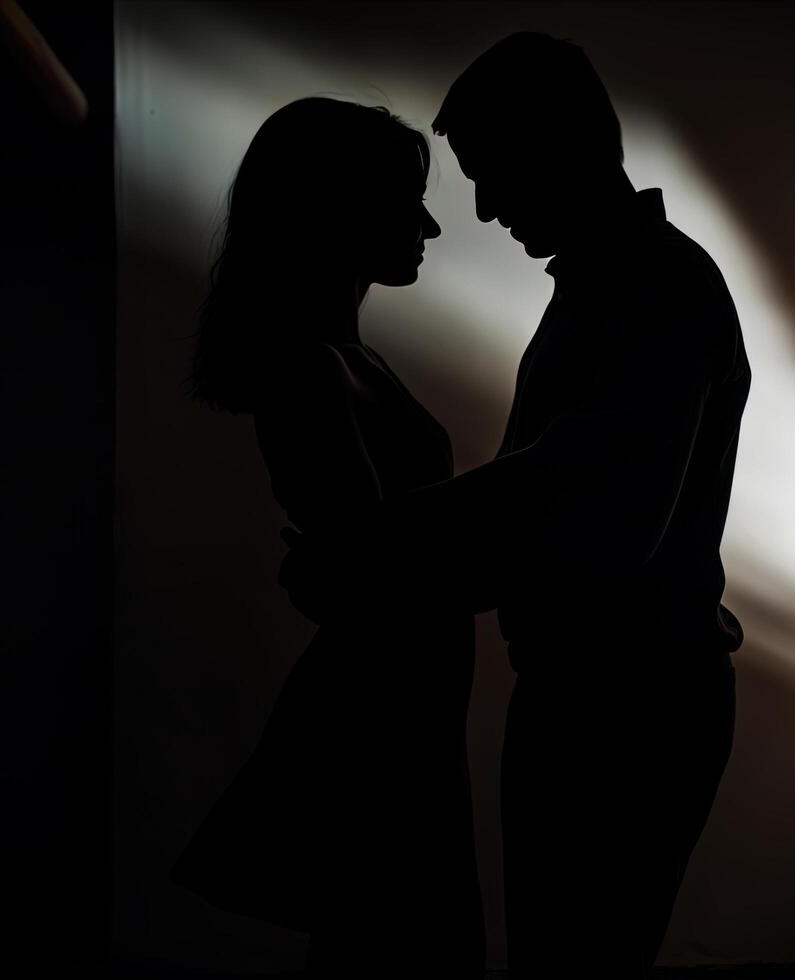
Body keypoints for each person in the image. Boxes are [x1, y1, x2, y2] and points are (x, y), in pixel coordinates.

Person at [279, 34, 751, 978]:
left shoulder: (656, 288)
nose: (485, 209)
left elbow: (590, 510)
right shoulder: (606, 288)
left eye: (492, 174)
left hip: (624, 707)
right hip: (598, 692)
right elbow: (557, 491)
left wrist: (382, 546)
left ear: (562, 146)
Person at [171, 97, 484, 978]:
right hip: (384, 703)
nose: (427, 224)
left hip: (399, 693)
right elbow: (367, 557)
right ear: (339, 209)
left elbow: (361, 552)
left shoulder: (347, 359)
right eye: (404, 201)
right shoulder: (314, 368)